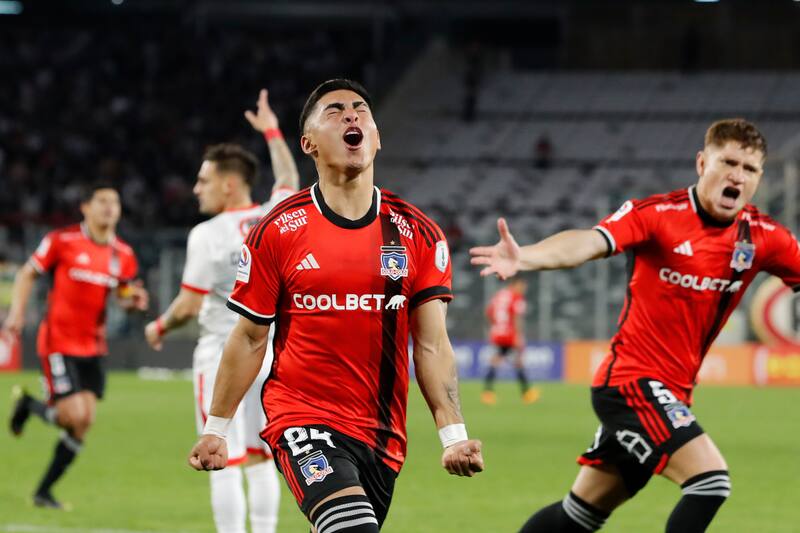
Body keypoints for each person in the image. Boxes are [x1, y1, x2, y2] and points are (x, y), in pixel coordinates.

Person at [471, 118, 799, 532]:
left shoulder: (764, 236)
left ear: (759, 179)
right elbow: (590, 241)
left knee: (579, 514)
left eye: (749, 169)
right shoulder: (659, 215)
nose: (737, 176)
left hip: (672, 394)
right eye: (728, 162)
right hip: (629, 385)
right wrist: (528, 257)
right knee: (709, 482)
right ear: (702, 163)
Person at [188, 79, 484, 533]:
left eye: (361, 109)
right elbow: (250, 337)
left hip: (382, 433)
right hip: (301, 417)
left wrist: (453, 435)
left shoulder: (418, 233)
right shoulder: (278, 230)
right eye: (335, 111)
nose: (351, 115)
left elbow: (431, 345)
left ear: (377, 138)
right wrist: (217, 428)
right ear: (308, 144)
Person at [144, 89, 299, 533]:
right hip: (272, 355)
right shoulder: (276, 214)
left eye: (203, 181)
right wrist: (271, 130)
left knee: (221, 456)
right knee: (261, 456)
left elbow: (189, 305)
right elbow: (287, 174)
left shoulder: (208, 234)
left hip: (221, 357)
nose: (196, 189)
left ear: (229, 184)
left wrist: (158, 325)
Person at [5, 183, 148, 509]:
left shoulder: (122, 254)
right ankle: (30, 407)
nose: (109, 207)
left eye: (114, 202)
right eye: (102, 201)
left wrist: (132, 302)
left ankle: (43, 491)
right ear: (85, 207)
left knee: (83, 422)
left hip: (93, 347)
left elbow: (123, 294)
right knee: (74, 414)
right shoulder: (62, 241)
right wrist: (17, 313)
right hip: (58, 342)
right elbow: (27, 274)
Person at [481, 277, 540, 405]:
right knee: (518, 361)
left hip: (497, 333)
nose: (524, 289)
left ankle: (487, 393)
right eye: (522, 286)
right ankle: (527, 393)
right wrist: (518, 336)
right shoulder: (516, 297)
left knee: (496, 361)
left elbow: (488, 312)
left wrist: (495, 326)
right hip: (510, 335)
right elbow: (517, 317)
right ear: (515, 284)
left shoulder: (499, 295)